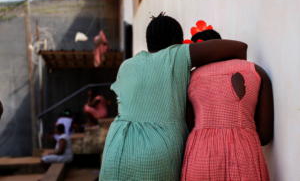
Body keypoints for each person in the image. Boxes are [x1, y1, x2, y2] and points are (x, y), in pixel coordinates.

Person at [99, 12, 248, 180]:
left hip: (115, 150)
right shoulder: (176, 55)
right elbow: (239, 48)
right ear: (175, 43)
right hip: (158, 154)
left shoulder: (126, 65)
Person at [181, 22, 274, 180]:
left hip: (201, 159)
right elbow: (264, 136)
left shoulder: (189, 79)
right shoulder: (256, 72)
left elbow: (189, 127)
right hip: (245, 158)